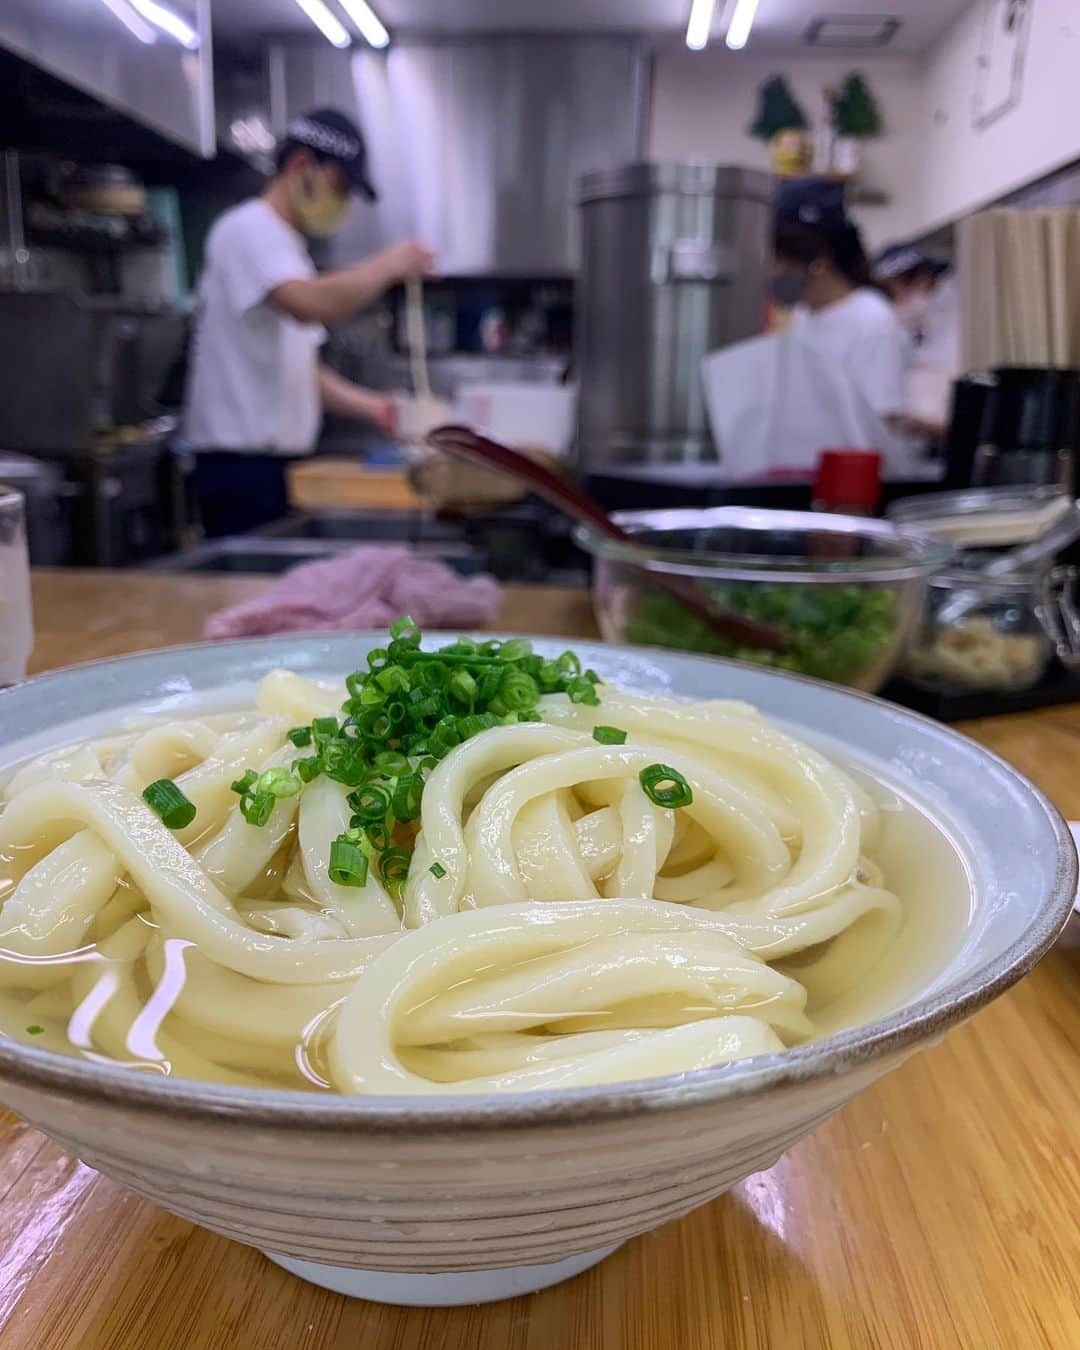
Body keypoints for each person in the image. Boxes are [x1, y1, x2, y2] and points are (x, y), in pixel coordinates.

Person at [183, 107, 434, 536]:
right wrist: (389, 265)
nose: (343, 205)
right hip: (241, 469)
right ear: (301, 166)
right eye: (339, 187)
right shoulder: (248, 230)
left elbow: (302, 371)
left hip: (274, 468)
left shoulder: (286, 248)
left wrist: (374, 407)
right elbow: (308, 303)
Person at [771, 179, 909, 429]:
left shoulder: (871, 320)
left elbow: (879, 424)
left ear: (817, 260)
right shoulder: (802, 316)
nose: (770, 273)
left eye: (778, 261)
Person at [874, 242, 961, 439]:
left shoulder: (956, 322)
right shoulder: (898, 330)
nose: (903, 295)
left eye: (908, 281)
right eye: (892, 289)